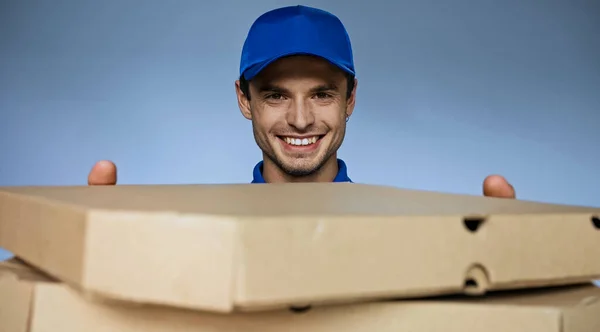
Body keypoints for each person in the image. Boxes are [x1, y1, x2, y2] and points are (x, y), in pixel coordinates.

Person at [87, 5, 516, 199]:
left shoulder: (404, 234)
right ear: (244, 99)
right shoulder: (202, 235)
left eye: (322, 94)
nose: (299, 119)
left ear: (350, 100)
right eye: (275, 95)